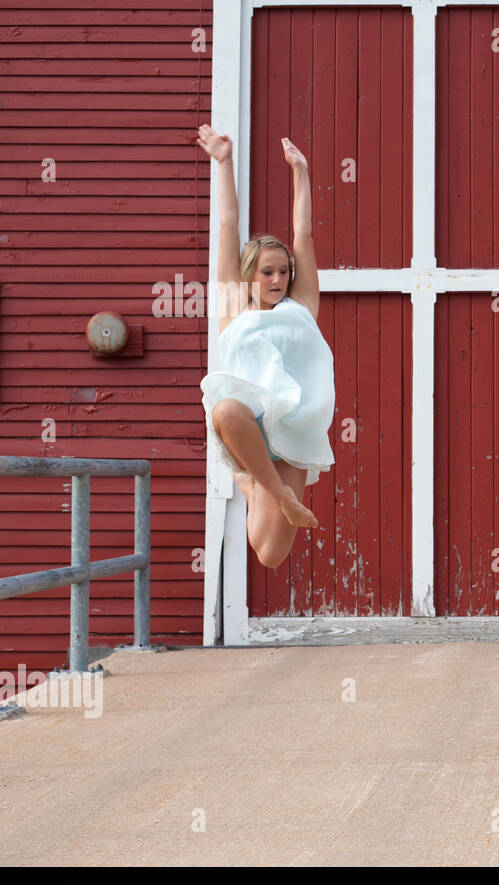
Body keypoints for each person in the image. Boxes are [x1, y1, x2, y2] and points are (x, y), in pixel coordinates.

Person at [196, 124, 335, 568]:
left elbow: (304, 237)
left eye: (283, 272)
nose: (277, 280)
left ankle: (256, 484)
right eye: (267, 273)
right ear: (249, 275)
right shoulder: (234, 309)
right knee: (224, 409)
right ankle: (267, 486)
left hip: (293, 426)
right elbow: (228, 224)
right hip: (250, 422)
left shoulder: (302, 307)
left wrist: (302, 174)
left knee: (270, 554)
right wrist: (224, 162)